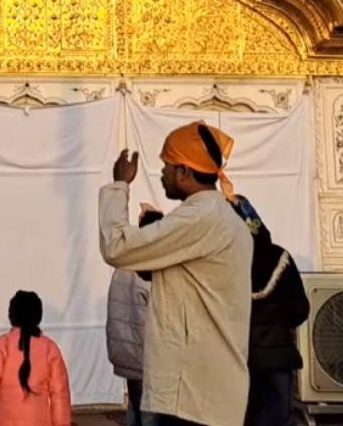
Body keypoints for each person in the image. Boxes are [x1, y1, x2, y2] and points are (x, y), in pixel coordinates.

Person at [98, 120, 252, 426]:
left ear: (184, 172)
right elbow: (156, 271)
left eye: (167, 166)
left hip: (194, 393)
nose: (163, 174)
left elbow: (117, 248)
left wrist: (120, 185)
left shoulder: (200, 216)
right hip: (204, 388)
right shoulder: (220, 216)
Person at [236, 196, 308, 426]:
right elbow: (300, 309)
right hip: (277, 359)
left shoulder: (224, 259)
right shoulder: (280, 257)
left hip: (236, 358)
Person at [0, 291, 72, 426]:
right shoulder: (50, 348)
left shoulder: (1, 345)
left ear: (11, 315)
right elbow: (59, 393)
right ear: (38, 316)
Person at [106, 206, 162, 426]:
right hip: (147, 355)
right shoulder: (152, 269)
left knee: (135, 407)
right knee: (150, 412)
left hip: (126, 351)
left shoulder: (123, 263)